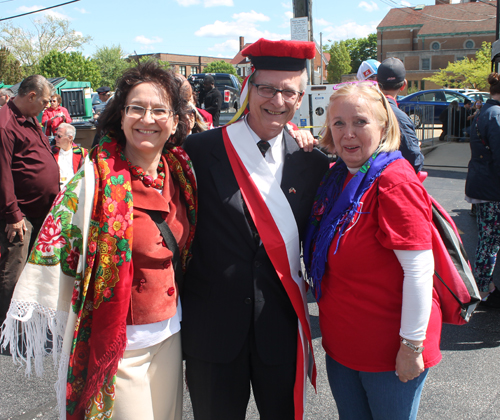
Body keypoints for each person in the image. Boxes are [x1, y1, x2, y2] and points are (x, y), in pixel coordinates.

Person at [0, 62, 197, 420]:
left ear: (175, 121)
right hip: (119, 346)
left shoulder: (183, 172)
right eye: (136, 108)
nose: (147, 118)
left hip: (170, 336)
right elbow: (54, 246)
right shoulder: (92, 180)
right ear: (120, 117)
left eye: (159, 110)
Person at [182, 38, 329, 420]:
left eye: (288, 92)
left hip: (278, 329)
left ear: (300, 100)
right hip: (212, 332)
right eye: (266, 88)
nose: (276, 101)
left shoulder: (311, 162)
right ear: (248, 89)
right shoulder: (198, 150)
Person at [304, 81, 442, 420]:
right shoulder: (336, 176)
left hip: (389, 352)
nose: (348, 133)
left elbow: (419, 270)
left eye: (360, 122)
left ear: (383, 126)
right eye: (338, 123)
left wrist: (411, 346)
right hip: (343, 347)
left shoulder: (394, 180)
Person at [0, 75, 60, 326]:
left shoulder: (29, 118)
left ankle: (28, 320)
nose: (48, 106)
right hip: (21, 213)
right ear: (32, 95)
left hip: (41, 209)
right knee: (15, 269)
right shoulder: (5, 124)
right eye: (45, 101)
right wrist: (13, 215)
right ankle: (7, 326)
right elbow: (2, 173)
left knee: (36, 270)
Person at [465, 72, 500, 308]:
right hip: (491, 188)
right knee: (489, 242)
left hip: (481, 183)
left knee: (486, 239)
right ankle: (482, 287)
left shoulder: (482, 112)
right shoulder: (495, 115)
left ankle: (483, 285)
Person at [377, 57, 424, 172]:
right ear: (404, 85)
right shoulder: (400, 118)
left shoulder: (363, 110)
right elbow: (414, 159)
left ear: (377, 84)